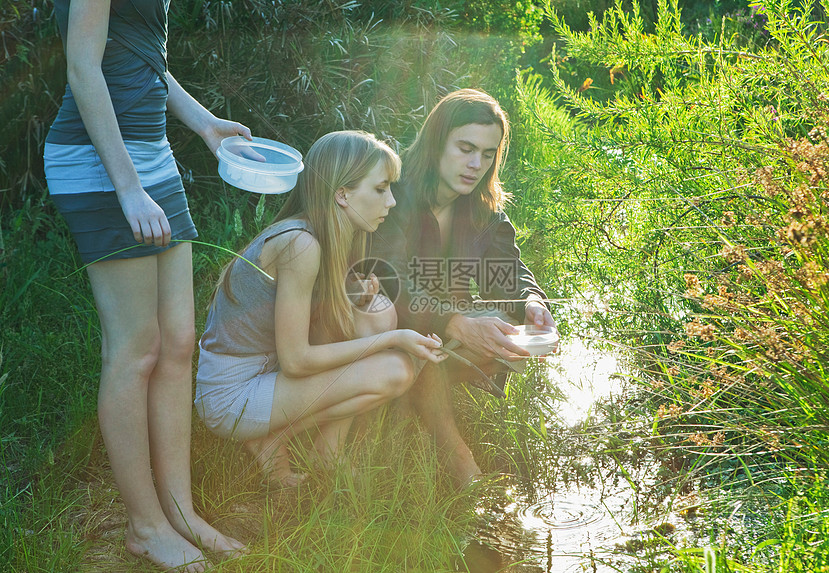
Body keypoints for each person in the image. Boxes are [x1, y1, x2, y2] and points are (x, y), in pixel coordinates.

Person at [42, 0, 251, 570]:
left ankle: (179, 512)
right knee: (136, 349)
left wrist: (203, 122)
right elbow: (83, 66)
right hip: (99, 160)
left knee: (179, 342)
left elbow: (142, 52)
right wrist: (128, 189)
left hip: (150, 156)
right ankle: (144, 525)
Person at [194, 131, 446, 488]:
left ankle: (326, 452)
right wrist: (396, 337)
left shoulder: (321, 234)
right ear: (341, 194)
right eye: (380, 189)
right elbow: (296, 360)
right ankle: (273, 439)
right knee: (396, 370)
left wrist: (351, 297)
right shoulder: (300, 243)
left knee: (376, 310)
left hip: (267, 370)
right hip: (231, 397)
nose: (390, 201)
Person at [371, 89, 556, 487]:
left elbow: (506, 271)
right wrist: (453, 321)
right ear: (438, 140)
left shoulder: (481, 205)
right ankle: (460, 462)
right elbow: (387, 277)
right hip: (377, 322)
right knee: (427, 339)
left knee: (508, 332)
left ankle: (410, 400)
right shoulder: (394, 192)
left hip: (436, 324)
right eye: (466, 148)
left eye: (488, 154)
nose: (476, 164)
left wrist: (531, 303)